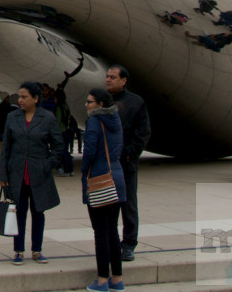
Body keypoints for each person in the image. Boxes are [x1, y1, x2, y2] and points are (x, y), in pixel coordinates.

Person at [0, 81, 63, 266]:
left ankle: (37, 249)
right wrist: (3, 175)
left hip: (38, 174)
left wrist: (48, 164)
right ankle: (18, 250)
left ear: (35, 98)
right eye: (19, 96)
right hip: (17, 172)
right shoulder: (13, 117)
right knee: (19, 212)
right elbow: (6, 148)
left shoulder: (47, 118)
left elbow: (58, 145)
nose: (20, 100)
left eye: (24, 97)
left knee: (38, 212)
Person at [81, 88, 126, 292]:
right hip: (117, 177)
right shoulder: (115, 120)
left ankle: (101, 281)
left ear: (100, 104)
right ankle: (117, 279)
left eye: (90, 102)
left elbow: (89, 150)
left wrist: (84, 170)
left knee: (100, 232)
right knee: (113, 231)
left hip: (100, 179)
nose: (86, 105)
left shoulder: (94, 121)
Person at [105, 65, 150, 261]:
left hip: (126, 163)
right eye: (107, 76)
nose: (108, 80)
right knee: (107, 204)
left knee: (128, 204)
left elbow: (143, 132)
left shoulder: (135, 102)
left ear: (123, 81)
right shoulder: (102, 102)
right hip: (105, 165)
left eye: (113, 77)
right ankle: (110, 241)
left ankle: (129, 244)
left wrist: (130, 153)